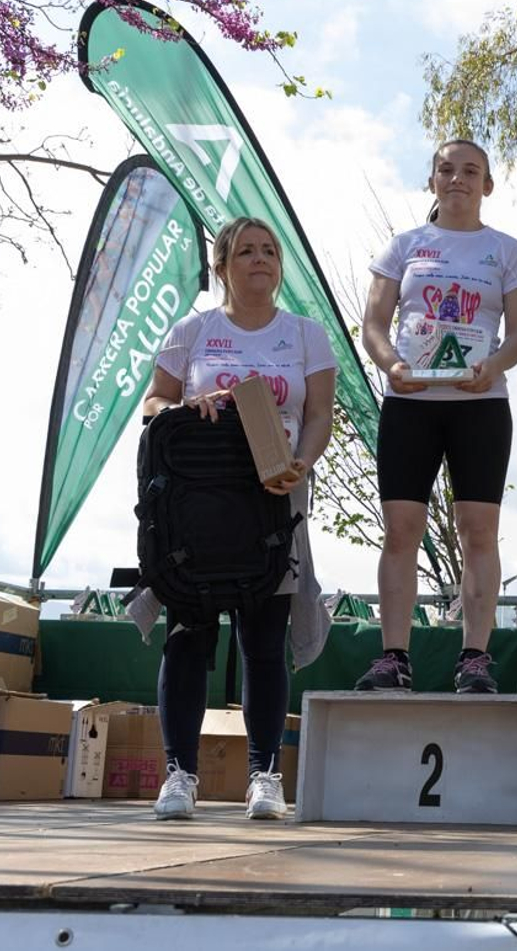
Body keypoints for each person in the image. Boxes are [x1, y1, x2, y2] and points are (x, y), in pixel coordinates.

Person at [142, 216, 338, 821]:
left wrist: (301, 464)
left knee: (262, 638)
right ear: (223, 264)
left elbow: (319, 416)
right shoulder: (192, 330)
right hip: (198, 505)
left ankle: (265, 775)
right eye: (247, 251)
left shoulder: (306, 335)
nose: (261, 259)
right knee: (189, 636)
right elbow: (152, 403)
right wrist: (183, 404)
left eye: (270, 251)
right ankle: (180, 773)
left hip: (273, 498)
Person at [355, 139, 517, 695]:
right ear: (432, 180)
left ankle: (475, 658)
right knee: (400, 531)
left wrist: (493, 365)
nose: (457, 179)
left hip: (480, 405)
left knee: (479, 532)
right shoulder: (405, 245)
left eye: (470, 171)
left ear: (488, 184)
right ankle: (394, 657)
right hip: (411, 404)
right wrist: (390, 364)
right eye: (446, 170)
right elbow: (375, 325)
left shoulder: (507, 251)